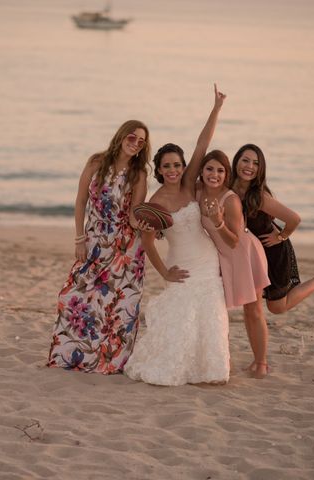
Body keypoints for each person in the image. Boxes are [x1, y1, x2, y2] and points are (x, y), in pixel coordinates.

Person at [124, 84, 230, 386]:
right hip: (180, 266)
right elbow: (146, 243)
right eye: (167, 166)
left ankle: (209, 370)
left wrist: (216, 108)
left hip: (207, 263)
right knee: (182, 323)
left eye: (177, 165)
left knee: (209, 318)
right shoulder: (154, 203)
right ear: (158, 169)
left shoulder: (188, 186)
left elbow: (202, 144)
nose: (173, 170)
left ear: (184, 167)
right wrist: (165, 272)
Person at [47, 120, 151, 374]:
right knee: (72, 296)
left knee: (117, 307)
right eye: (131, 137)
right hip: (93, 242)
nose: (135, 143)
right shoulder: (96, 162)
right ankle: (72, 356)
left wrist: (151, 224)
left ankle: (109, 363)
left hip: (125, 250)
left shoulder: (138, 175)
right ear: (120, 136)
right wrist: (79, 238)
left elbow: (134, 216)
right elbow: (81, 200)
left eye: (141, 141)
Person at [231, 144, 314, 317]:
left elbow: (294, 219)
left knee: (277, 307)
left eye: (256, 163)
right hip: (251, 253)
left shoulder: (259, 197)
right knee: (254, 303)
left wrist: (281, 236)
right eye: (245, 160)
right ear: (236, 161)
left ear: (260, 169)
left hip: (273, 253)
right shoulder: (229, 188)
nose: (249, 166)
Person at [195, 150, 271, 379]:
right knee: (219, 309)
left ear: (226, 174)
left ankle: (261, 363)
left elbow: (234, 240)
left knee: (254, 310)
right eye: (209, 169)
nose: (214, 175)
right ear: (202, 171)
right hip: (220, 257)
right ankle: (223, 359)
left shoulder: (231, 200)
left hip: (244, 255)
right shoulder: (197, 191)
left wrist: (218, 223)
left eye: (220, 171)